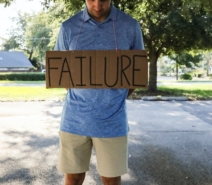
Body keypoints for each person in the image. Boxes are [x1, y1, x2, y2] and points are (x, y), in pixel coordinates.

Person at [54, 0, 144, 184]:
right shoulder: (68, 27)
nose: (97, 4)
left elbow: (137, 71)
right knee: (73, 178)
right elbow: (61, 72)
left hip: (113, 121)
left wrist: (115, 97)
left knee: (111, 180)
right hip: (74, 121)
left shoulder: (130, 26)